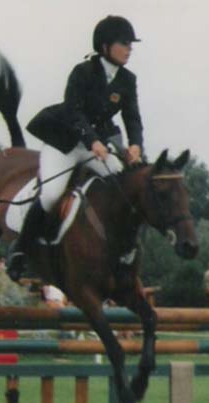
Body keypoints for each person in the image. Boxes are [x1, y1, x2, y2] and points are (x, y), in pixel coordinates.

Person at [7, 15, 143, 281]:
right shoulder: (82, 73)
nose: (129, 48)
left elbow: (132, 117)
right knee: (51, 195)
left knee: (122, 188)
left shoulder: (127, 79)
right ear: (105, 46)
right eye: (124, 43)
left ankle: (119, 252)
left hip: (97, 147)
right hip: (66, 144)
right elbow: (73, 113)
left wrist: (136, 144)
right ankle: (21, 249)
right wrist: (92, 140)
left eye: (130, 44)